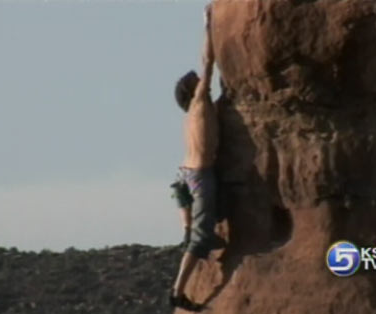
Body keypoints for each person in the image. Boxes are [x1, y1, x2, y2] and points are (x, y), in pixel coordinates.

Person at [169, 5, 224, 312]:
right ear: (193, 91)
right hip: (200, 177)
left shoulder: (191, 116)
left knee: (198, 230)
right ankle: (178, 292)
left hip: (183, 176)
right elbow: (208, 62)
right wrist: (209, 26)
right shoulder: (201, 102)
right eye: (196, 83)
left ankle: (188, 229)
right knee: (200, 242)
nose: (200, 82)